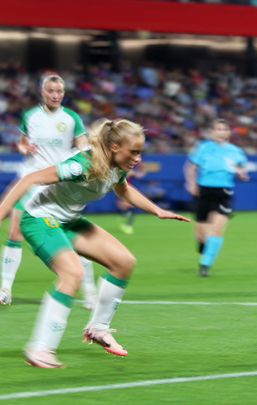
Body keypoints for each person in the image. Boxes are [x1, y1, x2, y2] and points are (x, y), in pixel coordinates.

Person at [0, 119, 190, 368]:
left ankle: (98, 329)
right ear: (113, 146)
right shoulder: (81, 165)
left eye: (140, 151)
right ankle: (40, 349)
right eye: (133, 151)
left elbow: (123, 190)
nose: (138, 158)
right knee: (73, 273)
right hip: (38, 219)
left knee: (123, 262)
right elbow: (28, 180)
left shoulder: (117, 166)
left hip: (67, 220)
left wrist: (157, 210)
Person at [0, 75, 97, 309]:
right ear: (43, 92)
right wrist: (25, 148)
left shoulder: (71, 118)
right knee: (15, 232)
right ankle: (5, 288)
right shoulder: (30, 116)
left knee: (70, 236)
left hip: (59, 182)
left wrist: (89, 154)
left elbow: (84, 146)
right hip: (31, 179)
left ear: (63, 93)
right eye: (51, 91)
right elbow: (22, 143)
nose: (55, 95)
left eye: (59, 91)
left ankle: (89, 291)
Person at [184, 119, 249, 277]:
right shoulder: (203, 147)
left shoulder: (235, 151)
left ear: (228, 132)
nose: (221, 132)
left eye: (224, 129)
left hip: (223, 192)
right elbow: (191, 166)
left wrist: (241, 173)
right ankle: (203, 245)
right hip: (204, 192)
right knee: (201, 236)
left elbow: (241, 168)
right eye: (218, 129)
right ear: (212, 132)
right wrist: (191, 183)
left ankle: (205, 265)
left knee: (217, 230)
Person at [116, 163, 147, 235]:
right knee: (123, 207)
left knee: (131, 207)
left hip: (129, 189)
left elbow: (139, 175)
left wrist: (143, 170)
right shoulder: (120, 169)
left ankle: (128, 226)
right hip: (120, 189)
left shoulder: (131, 169)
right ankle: (123, 220)